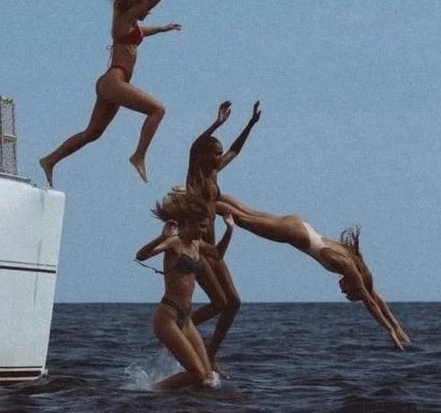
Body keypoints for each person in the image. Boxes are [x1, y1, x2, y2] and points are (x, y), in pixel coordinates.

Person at [188, 101, 410, 351]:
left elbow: (374, 296)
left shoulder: (355, 264)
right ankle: (188, 201)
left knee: (237, 210)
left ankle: (207, 354)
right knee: (240, 218)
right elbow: (370, 301)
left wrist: (397, 326)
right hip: (293, 233)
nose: (343, 291)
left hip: (299, 224)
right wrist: (388, 330)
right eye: (348, 292)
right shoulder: (349, 266)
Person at [39, 0, 190, 186]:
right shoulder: (123, 19)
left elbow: (144, 31)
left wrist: (163, 28)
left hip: (111, 85)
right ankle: (138, 156)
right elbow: (150, 3)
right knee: (157, 110)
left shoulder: (132, 26)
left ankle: (49, 160)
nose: (148, 11)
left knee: (92, 133)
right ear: (136, 5)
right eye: (145, 7)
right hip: (114, 81)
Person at [182, 100, 262, 369]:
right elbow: (194, 147)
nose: (219, 157)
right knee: (218, 303)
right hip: (196, 247)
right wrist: (216, 123)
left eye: (219, 154)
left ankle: (210, 355)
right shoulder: (195, 175)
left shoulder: (214, 173)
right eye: (215, 153)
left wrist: (250, 124)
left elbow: (235, 150)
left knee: (233, 303)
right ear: (204, 155)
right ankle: (182, 327)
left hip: (213, 248)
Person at [135, 193, 235, 390]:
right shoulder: (174, 242)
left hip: (186, 319)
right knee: (197, 374)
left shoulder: (197, 244)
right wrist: (161, 237)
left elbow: (217, 253)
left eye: (206, 227)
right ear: (189, 223)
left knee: (207, 377)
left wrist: (229, 230)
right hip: (167, 317)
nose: (205, 231)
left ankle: (176, 399)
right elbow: (141, 255)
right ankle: (150, 391)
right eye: (202, 226)